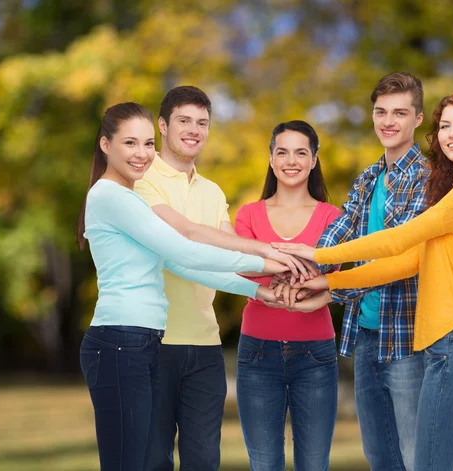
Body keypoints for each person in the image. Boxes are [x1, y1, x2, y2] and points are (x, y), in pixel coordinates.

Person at [275, 89, 453, 471]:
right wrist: (330, 284)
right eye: (446, 126)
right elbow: (405, 262)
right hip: (446, 349)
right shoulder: (452, 198)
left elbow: (399, 237)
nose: (452, 133)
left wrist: (318, 255)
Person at [76, 102, 284, 471]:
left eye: (146, 144)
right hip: (119, 341)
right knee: (128, 462)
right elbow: (185, 249)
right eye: (130, 143)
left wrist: (259, 290)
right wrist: (269, 263)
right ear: (105, 145)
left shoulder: (128, 197)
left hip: (137, 341)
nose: (142, 154)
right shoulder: (111, 196)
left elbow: (176, 262)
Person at [133, 86, 315, 471]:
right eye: (184, 121)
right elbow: (184, 239)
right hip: (152, 341)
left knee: (204, 461)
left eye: (202, 123)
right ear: (162, 126)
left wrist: (266, 285)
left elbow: (228, 257)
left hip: (204, 346)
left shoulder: (213, 192)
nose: (194, 130)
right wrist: (271, 252)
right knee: (150, 459)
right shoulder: (140, 182)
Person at [277, 72, 429, 470]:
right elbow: (338, 236)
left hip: (408, 336)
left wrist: (327, 287)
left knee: (417, 456)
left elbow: (394, 255)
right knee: (379, 455)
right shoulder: (368, 178)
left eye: (400, 112)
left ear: (419, 118)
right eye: (381, 111)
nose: (388, 121)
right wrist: (295, 267)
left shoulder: (428, 179)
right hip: (365, 334)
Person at [233, 120, 341, 471]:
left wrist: (272, 264)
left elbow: (335, 274)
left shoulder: (332, 217)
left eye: (300, 152)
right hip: (257, 352)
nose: (290, 160)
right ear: (270, 158)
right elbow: (241, 266)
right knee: (264, 464)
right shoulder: (248, 213)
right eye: (282, 151)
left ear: (313, 159)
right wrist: (300, 264)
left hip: (316, 354)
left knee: (314, 463)